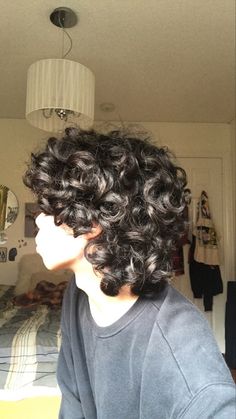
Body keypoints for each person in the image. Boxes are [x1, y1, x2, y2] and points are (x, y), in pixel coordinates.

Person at [24, 127, 235, 419]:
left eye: (51, 209)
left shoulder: (183, 357)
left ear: (93, 222)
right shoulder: (79, 291)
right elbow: (73, 406)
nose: (40, 219)